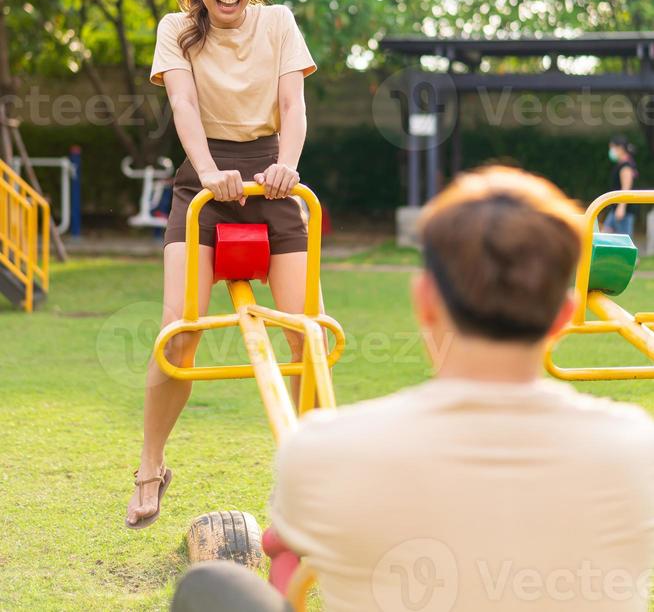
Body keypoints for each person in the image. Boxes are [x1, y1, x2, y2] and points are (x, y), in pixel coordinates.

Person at [172, 166, 654, 612]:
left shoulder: (324, 449)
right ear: (563, 318)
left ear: (424, 302)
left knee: (208, 590)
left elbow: (286, 568)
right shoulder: (639, 449)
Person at [125, 0, 317, 530]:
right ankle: (151, 466)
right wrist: (208, 172)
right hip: (204, 182)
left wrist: (286, 164)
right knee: (180, 334)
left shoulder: (279, 22)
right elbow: (182, 104)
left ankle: (311, 477)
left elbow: (293, 105)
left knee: (302, 333)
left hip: (274, 177)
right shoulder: (176, 30)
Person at [602, 134, 638, 236]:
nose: (611, 151)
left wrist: (621, 208)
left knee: (625, 242)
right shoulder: (622, 164)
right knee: (605, 237)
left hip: (622, 211)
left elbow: (626, 188)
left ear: (620, 148)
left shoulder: (626, 166)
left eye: (612, 148)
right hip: (616, 208)